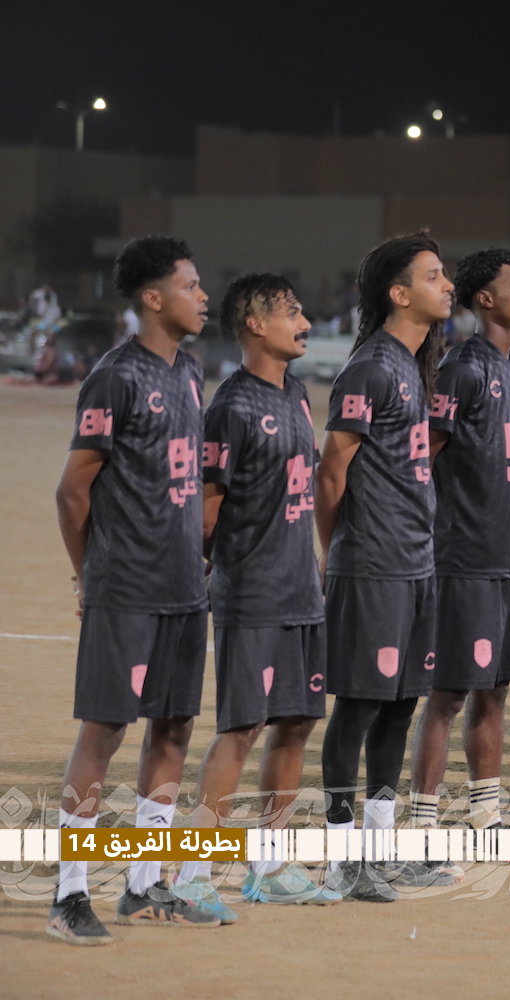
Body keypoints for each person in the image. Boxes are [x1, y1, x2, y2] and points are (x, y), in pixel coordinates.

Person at [50, 236, 217, 943]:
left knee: (173, 729)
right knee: (106, 730)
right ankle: (69, 895)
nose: (203, 296)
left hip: (184, 585)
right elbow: (73, 490)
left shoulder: (191, 371)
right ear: (153, 298)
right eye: (190, 285)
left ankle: (143, 885)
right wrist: (90, 573)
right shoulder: (115, 377)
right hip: (127, 585)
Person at [180, 274, 338, 911]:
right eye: (290, 312)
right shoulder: (231, 406)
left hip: (302, 590)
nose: (304, 322)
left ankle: (270, 867)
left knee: (297, 723)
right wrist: (229, 568)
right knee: (242, 727)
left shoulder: (297, 392)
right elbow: (205, 513)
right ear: (254, 324)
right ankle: (192, 874)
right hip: (252, 592)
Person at [315, 232, 450, 902]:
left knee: (400, 708)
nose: (446, 285)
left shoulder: (413, 365)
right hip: (372, 563)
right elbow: (330, 472)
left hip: (416, 562)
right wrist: (334, 553)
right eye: (432, 275)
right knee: (360, 706)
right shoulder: (370, 366)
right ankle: (343, 859)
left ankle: (379, 847)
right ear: (399, 294)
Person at [407, 248, 510, 848]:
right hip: (462, 557)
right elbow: (423, 458)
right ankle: (422, 819)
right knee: (448, 692)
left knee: (497, 688)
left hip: (509, 557)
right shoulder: (461, 368)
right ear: (486, 299)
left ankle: (485, 810)